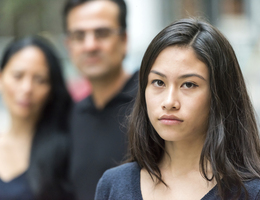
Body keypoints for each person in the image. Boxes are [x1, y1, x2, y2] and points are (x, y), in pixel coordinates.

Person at [95, 18, 260, 200]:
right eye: (158, 82)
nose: (169, 101)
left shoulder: (250, 192)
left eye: (188, 84)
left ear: (220, 94)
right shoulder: (113, 185)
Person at [63, 0, 138, 199]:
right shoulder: (71, 115)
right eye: (79, 36)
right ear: (68, 45)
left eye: (102, 33)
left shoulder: (153, 100)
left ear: (124, 39)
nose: (90, 45)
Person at [0, 36, 74, 200]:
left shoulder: (66, 149)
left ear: (51, 90)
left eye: (40, 80)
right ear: (1, 78)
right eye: (18, 76)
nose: (27, 88)